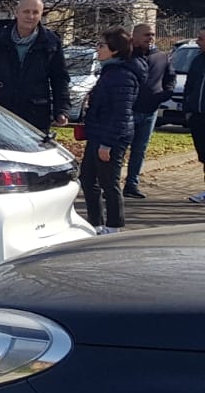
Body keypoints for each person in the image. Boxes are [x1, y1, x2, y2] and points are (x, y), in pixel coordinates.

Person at [0, 0, 71, 134]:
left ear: (41, 15)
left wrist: (62, 110)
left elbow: (60, 78)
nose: (30, 16)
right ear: (17, 12)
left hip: (35, 114)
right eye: (26, 11)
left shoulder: (51, 42)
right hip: (1, 111)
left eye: (35, 12)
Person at [78, 28, 144, 235]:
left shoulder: (123, 75)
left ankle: (114, 225)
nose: (97, 49)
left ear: (115, 50)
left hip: (111, 138)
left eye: (102, 45)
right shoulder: (109, 71)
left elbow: (121, 114)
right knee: (88, 179)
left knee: (109, 182)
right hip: (98, 134)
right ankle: (95, 223)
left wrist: (107, 143)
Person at [123, 23, 177, 200]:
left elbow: (170, 77)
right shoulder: (127, 56)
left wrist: (164, 94)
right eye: (146, 35)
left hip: (150, 112)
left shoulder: (162, 56)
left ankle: (132, 184)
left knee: (140, 149)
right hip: (128, 110)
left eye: (152, 34)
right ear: (135, 36)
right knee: (119, 149)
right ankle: (111, 184)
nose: (150, 38)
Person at [184, 28, 205, 205]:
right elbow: (189, 86)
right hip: (198, 116)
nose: (197, 42)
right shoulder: (198, 60)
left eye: (201, 39)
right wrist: (188, 110)